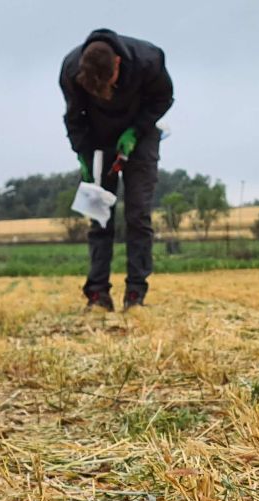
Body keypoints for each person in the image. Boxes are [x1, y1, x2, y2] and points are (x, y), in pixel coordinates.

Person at [60, 30, 174, 311]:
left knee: (138, 214)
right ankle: (98, 294)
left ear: (119, 64)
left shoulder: (149, 60)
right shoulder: (71, 69)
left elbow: (163, 99)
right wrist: (83, 157)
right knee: (99, 216)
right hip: (98, 140)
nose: (104, 96)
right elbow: (74, 118)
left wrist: (135, 131)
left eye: (107, 86)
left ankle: (135, 295)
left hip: (140, 134)